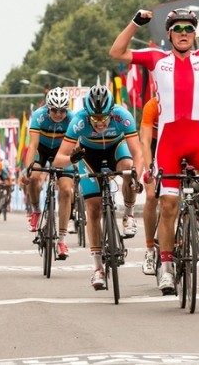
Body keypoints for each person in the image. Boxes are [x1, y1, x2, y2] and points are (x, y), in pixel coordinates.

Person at [108, 4, 199, 295]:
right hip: (169, 145)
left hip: (198, 141)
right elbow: (117, 52)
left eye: (189, 29)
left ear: (194, 34)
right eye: (179, 29)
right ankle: (167, 267)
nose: (185, 33)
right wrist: (135, 22)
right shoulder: (156, 59)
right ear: (170, 34)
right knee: (169, 206)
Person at [53, 85, 144, 290]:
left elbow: (137, 151)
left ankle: (128, 214)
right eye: (95, 119)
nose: (100, 123)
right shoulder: (79, 120)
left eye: (104, 118)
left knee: (129, 169)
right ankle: (97, 269)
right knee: (93, 209)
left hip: (116, 150)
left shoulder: (122, 116)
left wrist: (138, 174)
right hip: (89, 156)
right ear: (88, 115)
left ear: (112, 112)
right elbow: (58, 160)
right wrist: (71, 159)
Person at [19, 87, 75, 261]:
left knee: (66, 190)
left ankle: (62, 240)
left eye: (62, 110)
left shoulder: (72, 119)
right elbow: (33, 146)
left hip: (61, 151)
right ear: (48, 108)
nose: (58, 114)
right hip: (41, 151)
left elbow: (77, 146)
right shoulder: (39, 116)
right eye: (54, 110)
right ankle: (36, 211)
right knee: (35, 177)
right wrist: (29, 168)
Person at [138, 96, 159, 276]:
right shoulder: (152, 105)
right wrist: (149, 168)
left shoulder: (185, 101)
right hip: (154, 146)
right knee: (152, 196)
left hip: (177, 144)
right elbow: (145, 142)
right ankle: (150, 250)